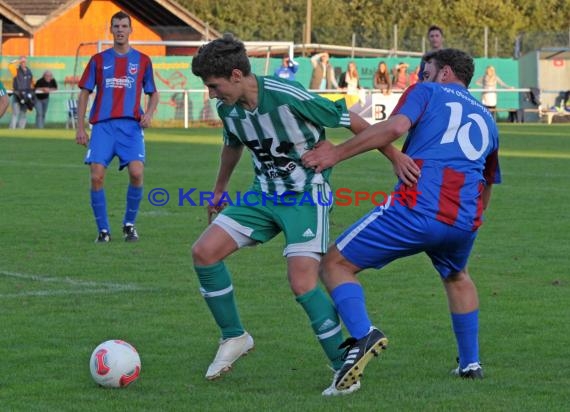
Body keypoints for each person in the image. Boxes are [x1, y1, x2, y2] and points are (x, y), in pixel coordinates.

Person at [190, 33, 418, 396]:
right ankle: (235, 336)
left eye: (214, 86)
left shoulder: (290, 95)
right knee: (204, 252)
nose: (212, 94)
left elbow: (352, 120)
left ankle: (344, 371)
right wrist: (219, 189)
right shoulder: (228, 110)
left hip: (306, 197)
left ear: (236, 75)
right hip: (262, 196)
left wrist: (395, 157)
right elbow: (232, 146)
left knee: (302, 282)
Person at [302, 48, 501, 393]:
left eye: (426, 72)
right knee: (457, 276)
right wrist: (474, 219)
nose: (421, 78)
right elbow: (487, 181)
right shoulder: (488, 119)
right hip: (463, 218)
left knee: (335, 263)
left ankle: (364, 336)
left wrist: (336, 152)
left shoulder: (428, 90)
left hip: (418, 206)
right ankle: (471, 364)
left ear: (444, 73)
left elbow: (394, 126)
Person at [75, 11, 159, 243]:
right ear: (110, 30)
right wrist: (80, 127)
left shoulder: (143, 61)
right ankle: (103, 231)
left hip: (131, 127)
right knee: (96, 176)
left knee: (136, 172)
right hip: (103, 127)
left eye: (124, 26)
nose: (120, 30)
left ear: (131, 30)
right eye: (116, 26)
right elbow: (84, 93)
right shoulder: (98, 60)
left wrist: (149, 114)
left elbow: (153, 93)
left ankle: (129, 225)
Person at [9, 56, 34, 129]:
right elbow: (10, 65)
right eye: (22, 62)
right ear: (20, 62)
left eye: (24, 61)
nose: (23, 63)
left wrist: (31, 94)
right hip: (18, 95)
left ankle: (21, 129)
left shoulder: (29, 72)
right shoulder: (16, 71)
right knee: (15, 113)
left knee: (23, 113)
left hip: (26, 96)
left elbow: (32, 83)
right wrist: (17, 60)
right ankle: (12, 129)